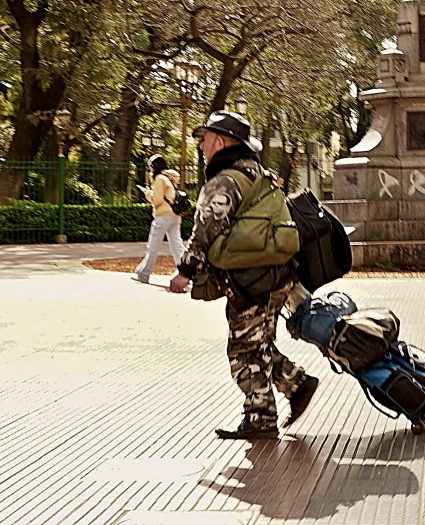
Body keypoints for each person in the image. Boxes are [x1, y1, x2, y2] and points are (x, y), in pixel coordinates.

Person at [169, 111, 318, 440]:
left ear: (221, 141)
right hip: (276, 276)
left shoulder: (224, 179)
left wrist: (184, 272)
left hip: (251, 281)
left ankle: (262, 416)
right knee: (257, 344)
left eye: (205, 140)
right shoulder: (258, 173)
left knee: (242, 352)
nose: (202, 147)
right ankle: (295, 385)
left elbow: (206, 228)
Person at [132, 154, 185, 284]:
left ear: (154, 167)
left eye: (150, 166)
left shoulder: (160, 179)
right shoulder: (169, 178)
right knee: (177, 246)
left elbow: (157, 200)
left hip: (163, 217)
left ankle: (144, 274)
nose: (149, 169)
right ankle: (187, 271)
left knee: (153, 247)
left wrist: (147, 193)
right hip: (174, 216)